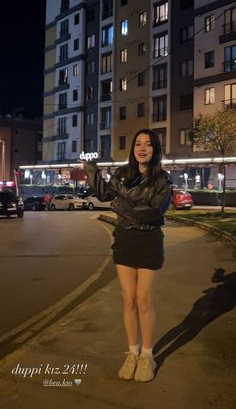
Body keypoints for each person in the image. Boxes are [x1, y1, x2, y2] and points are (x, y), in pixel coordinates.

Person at [83, 129, 172, 382]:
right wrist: (91, 169)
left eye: (148, 144)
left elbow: (152, 212)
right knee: (128, 301)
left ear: (155, 150)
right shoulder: (123, 174)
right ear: (133, 148)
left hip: (148, 240)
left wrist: (120, 204)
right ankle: (132, 353)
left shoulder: (162, 179)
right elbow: (104, 194)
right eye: (138, 144)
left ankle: (148, 355)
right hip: (124, 240)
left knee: (144, 301)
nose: (142, 148)